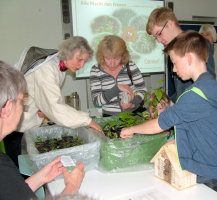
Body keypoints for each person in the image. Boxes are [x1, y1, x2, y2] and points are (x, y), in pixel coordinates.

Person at [120, 31, 217, 197]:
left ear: (188, 58)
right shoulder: (212, 85)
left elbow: (158, 125)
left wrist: (131, 129)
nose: (173, 70)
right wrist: (177, 140)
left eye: (174, 62)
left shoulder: (194, 95)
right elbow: (201, 125)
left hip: (209, 173)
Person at [5, 36, 103, 167]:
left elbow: (40, 95)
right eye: (79, 60)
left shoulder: (56, 65)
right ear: (68, 53)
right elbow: (55, 106)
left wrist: (43, 108)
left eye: (84, 61)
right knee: (20, 173)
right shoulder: (46, 69)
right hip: (17, 130)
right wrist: (88, 120)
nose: (81, 65)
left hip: (23, 125)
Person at [0, 61, 85, 200]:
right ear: (8, 107)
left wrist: (41, 177)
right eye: (22, 101)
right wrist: (72, 186)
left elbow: (13, 193)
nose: (23, 107)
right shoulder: (3, 169)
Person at [146, 7, 216, 105]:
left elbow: (209, 86)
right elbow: (181, 92)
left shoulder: (197, 45)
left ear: (170, 24)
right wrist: (166, 103)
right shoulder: (173, 51)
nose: (158, 40)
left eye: (159, 34)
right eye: (156, 37)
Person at [90, 35, 147, 117]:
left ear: (123, 55)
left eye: (117, 59)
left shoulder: (130, 66)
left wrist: (132, 104)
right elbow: (97, 101)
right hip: (110, 119)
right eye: (108, 59)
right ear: (102, 56)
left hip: (133, 115)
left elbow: (142, 90)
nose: (112, 64)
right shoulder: (96, 70)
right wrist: (117, 88)